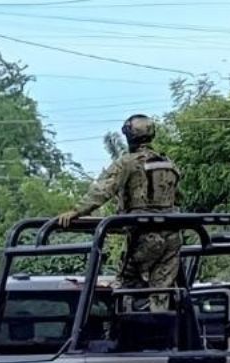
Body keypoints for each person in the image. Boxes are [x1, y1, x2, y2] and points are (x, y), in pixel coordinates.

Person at [55, 114, 182, 309]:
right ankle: (163, 331)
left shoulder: (128, 162)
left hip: (144, 236)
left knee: (125, 285)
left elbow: (103, 189)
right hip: (172, 236)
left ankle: (123, 332)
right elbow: (178, 197)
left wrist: (76, 211)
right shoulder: (168, 164)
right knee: (162, 292)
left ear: (129, 136)